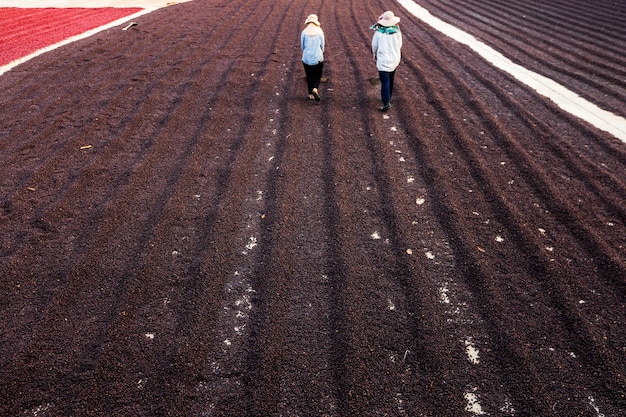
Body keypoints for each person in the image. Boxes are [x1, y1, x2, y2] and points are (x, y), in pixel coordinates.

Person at [371, 11, 402, 111]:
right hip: (395, 59)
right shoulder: (397, 32)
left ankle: (386, 102)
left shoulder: (378, 33)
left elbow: (374, 46)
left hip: (383, 60)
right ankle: (389, 96)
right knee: (391, 77)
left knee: (384, 81)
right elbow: (400, 45)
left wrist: (375, 55)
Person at [301, 14, 325, 102]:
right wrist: (321, 52)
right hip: (317, 57)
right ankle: (315, 88)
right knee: (317, 75)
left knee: (309, 75)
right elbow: (322, 45)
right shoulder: (320, 31)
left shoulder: (304, 32)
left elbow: (302, 46)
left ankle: (310, 94)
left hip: (306, 58)